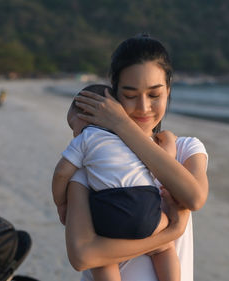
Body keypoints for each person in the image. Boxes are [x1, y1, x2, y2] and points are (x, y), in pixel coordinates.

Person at [63, 34, 209, 281]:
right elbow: (82, 256)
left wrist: (121, 124)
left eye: (154, 95)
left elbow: (194, 197)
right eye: (130, 95)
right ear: (113, 95)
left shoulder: (185, 150)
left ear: (168, 91)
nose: (143, 107)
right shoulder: (94, 163)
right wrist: (169, 234)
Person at [52, 84, 180, 281]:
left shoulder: (85, 138)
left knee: (103, 260)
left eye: (72, 125)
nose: (73, 133)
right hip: (145, 209)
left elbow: (61, 173)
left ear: (87, 114)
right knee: (164, 248)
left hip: (108, 214)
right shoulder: (134, 139)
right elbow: (164, 157)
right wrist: (169, 139)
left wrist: (61, 202)